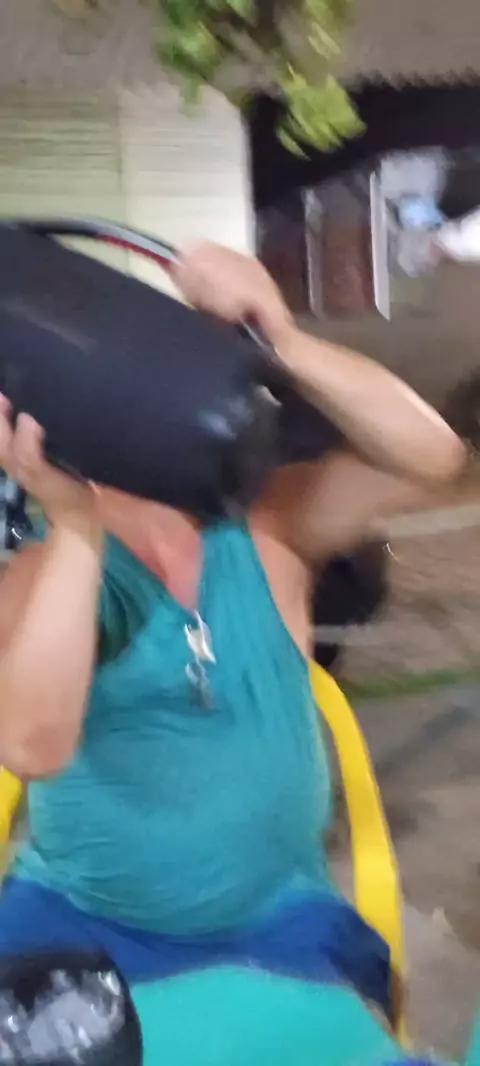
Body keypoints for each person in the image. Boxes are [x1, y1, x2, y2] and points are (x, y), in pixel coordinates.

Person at [0, 244, 465, 1066]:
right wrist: (73, 525)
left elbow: (431, 455)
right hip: (87, 929)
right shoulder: (48, 559)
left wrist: (281, 340)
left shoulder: (269, 529)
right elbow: (31, 741)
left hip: (282, 926)